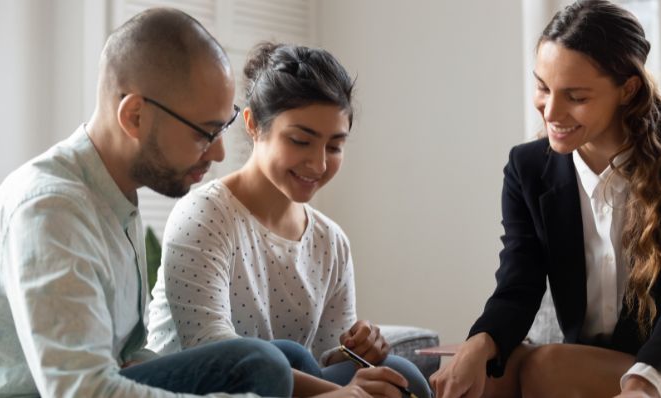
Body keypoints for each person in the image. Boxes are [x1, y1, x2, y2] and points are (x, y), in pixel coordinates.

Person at [0, 8, 296, 397]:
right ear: (134, 116)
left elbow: (126, 356)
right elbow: (80, 390)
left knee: (282, 358)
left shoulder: (115, 193)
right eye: (205, 132)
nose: (220, 153)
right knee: (265, 369)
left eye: (223, 125)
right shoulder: (51, 209)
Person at [146, 42, 432, 398]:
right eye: (300, 141)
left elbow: (326, 359)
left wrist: (359, 349)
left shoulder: (330, 241)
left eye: (334, 146)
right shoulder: (205, 215)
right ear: (252, 124)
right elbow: (213, 348)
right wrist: (344, 394)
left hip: (283, 384)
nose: (319, 164)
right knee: (283, 355)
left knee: (400, 375)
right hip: (206, 389)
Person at [430, 1, 661, 397]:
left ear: (628, 89)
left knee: (546, 368)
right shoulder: (528, 168)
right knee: (479, 374)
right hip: (587, 358)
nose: (550, 111)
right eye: (542, 86)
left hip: (654, 361)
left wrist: (642, 384)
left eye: (575, 96)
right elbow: (520, 280)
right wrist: (480, 342)